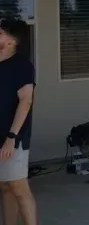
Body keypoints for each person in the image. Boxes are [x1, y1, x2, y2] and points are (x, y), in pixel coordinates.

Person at [0, 18, 37, 225]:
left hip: (14, 138)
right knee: (5, 186)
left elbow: (26, 101)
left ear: (12, 42)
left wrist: (11, 137)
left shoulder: (22, 66)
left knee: (18, 186)